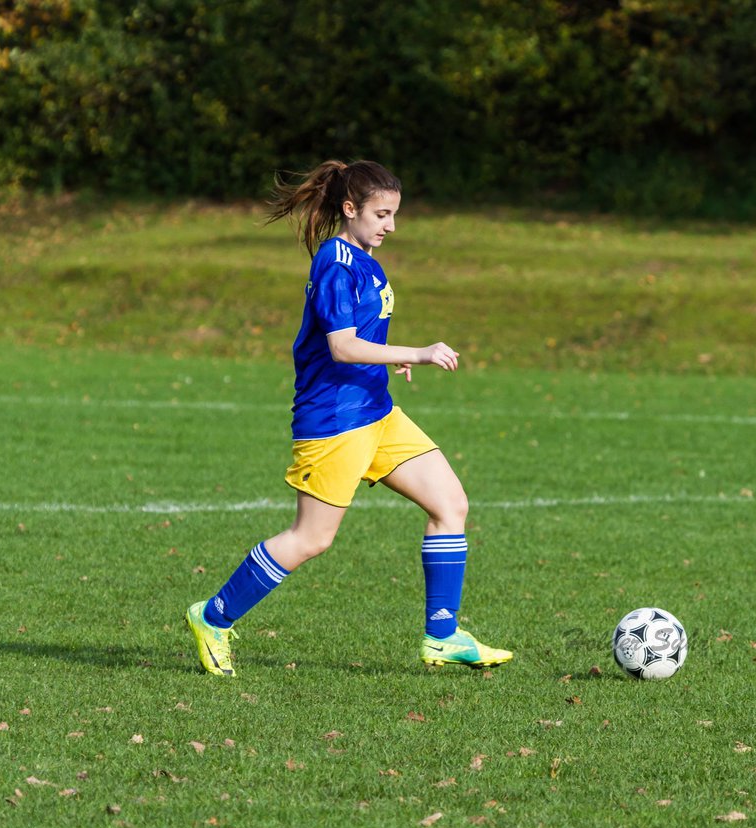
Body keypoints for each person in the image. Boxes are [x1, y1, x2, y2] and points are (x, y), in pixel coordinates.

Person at [184, 159, 512, 676]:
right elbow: (341, 347)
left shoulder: (365, 259)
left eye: (394, 214)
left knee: (450, 504)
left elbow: (362, 337)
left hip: (376, 413)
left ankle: (443, 637)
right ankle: (213, 617)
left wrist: (391, 354)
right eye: (381, 214)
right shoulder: (335, 263)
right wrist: (419, 351)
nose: (391, 226)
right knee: (311, 538)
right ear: (350, 208)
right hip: (335, 421)